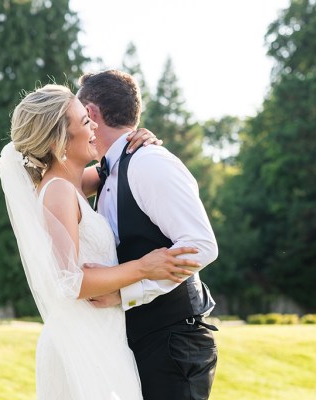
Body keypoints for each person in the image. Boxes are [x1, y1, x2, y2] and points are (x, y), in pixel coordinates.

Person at [0, 84, 203, 400]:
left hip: (104, 335)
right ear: (58, 142)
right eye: (84, 122)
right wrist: (144, 267)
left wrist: (141, 139)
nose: (94, 125)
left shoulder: (74, 185)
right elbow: (68, 281)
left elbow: (116, 167)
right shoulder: (59, 193)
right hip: (83, 342)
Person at [77, 69, 219, 400]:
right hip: (132, 343)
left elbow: (200, 246)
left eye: (80, 116)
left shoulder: (149, 163)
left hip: (172, 344)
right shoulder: (109, 170)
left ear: (92, 114)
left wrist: (127, 294)